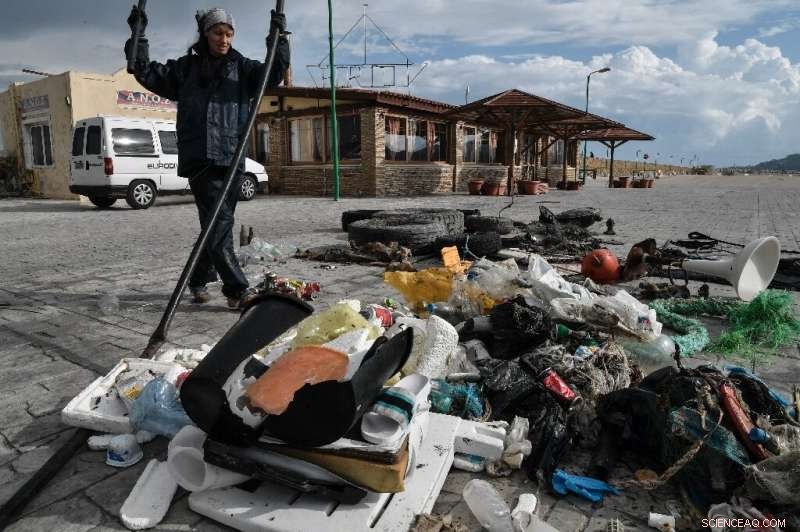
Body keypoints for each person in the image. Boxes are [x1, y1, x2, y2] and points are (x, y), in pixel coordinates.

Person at [124, 6, 289, 309]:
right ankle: (238, 290)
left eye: (229, 33)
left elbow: (273, 74)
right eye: (217, 33)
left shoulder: (243, 68)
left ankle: (198, 280)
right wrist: (138, 33)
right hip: (201, 159)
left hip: (232, 157)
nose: (223, 39)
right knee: (219, 225)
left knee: (216, 226)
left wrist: (278, 38)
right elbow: (141, 69)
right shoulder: (184, 69)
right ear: (205, 33)